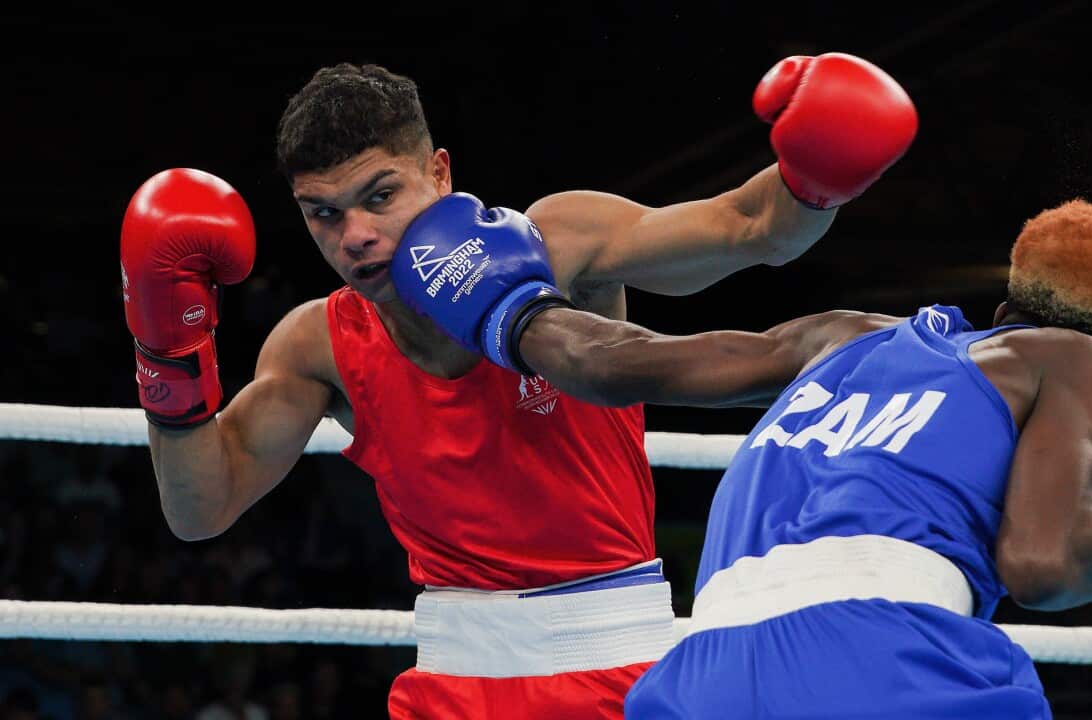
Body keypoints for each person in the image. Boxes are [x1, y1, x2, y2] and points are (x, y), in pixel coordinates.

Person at [117, 53, 918, 719]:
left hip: (622, 663)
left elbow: (753, 228)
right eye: (321, 214)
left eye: (380, 196)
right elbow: (199, 508)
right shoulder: (319, 342)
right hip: (451, 681)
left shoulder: (557, 243)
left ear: (438, 173)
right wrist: (166, 353)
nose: (354, 236)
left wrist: (815, 174)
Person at [397, 196, 1092, 718]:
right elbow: (1045, 563)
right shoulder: (1083, 364)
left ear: (1001, 310)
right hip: (888, 665)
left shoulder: (837, 337)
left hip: (694, 683)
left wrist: (510, 305)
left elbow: (620, 363)